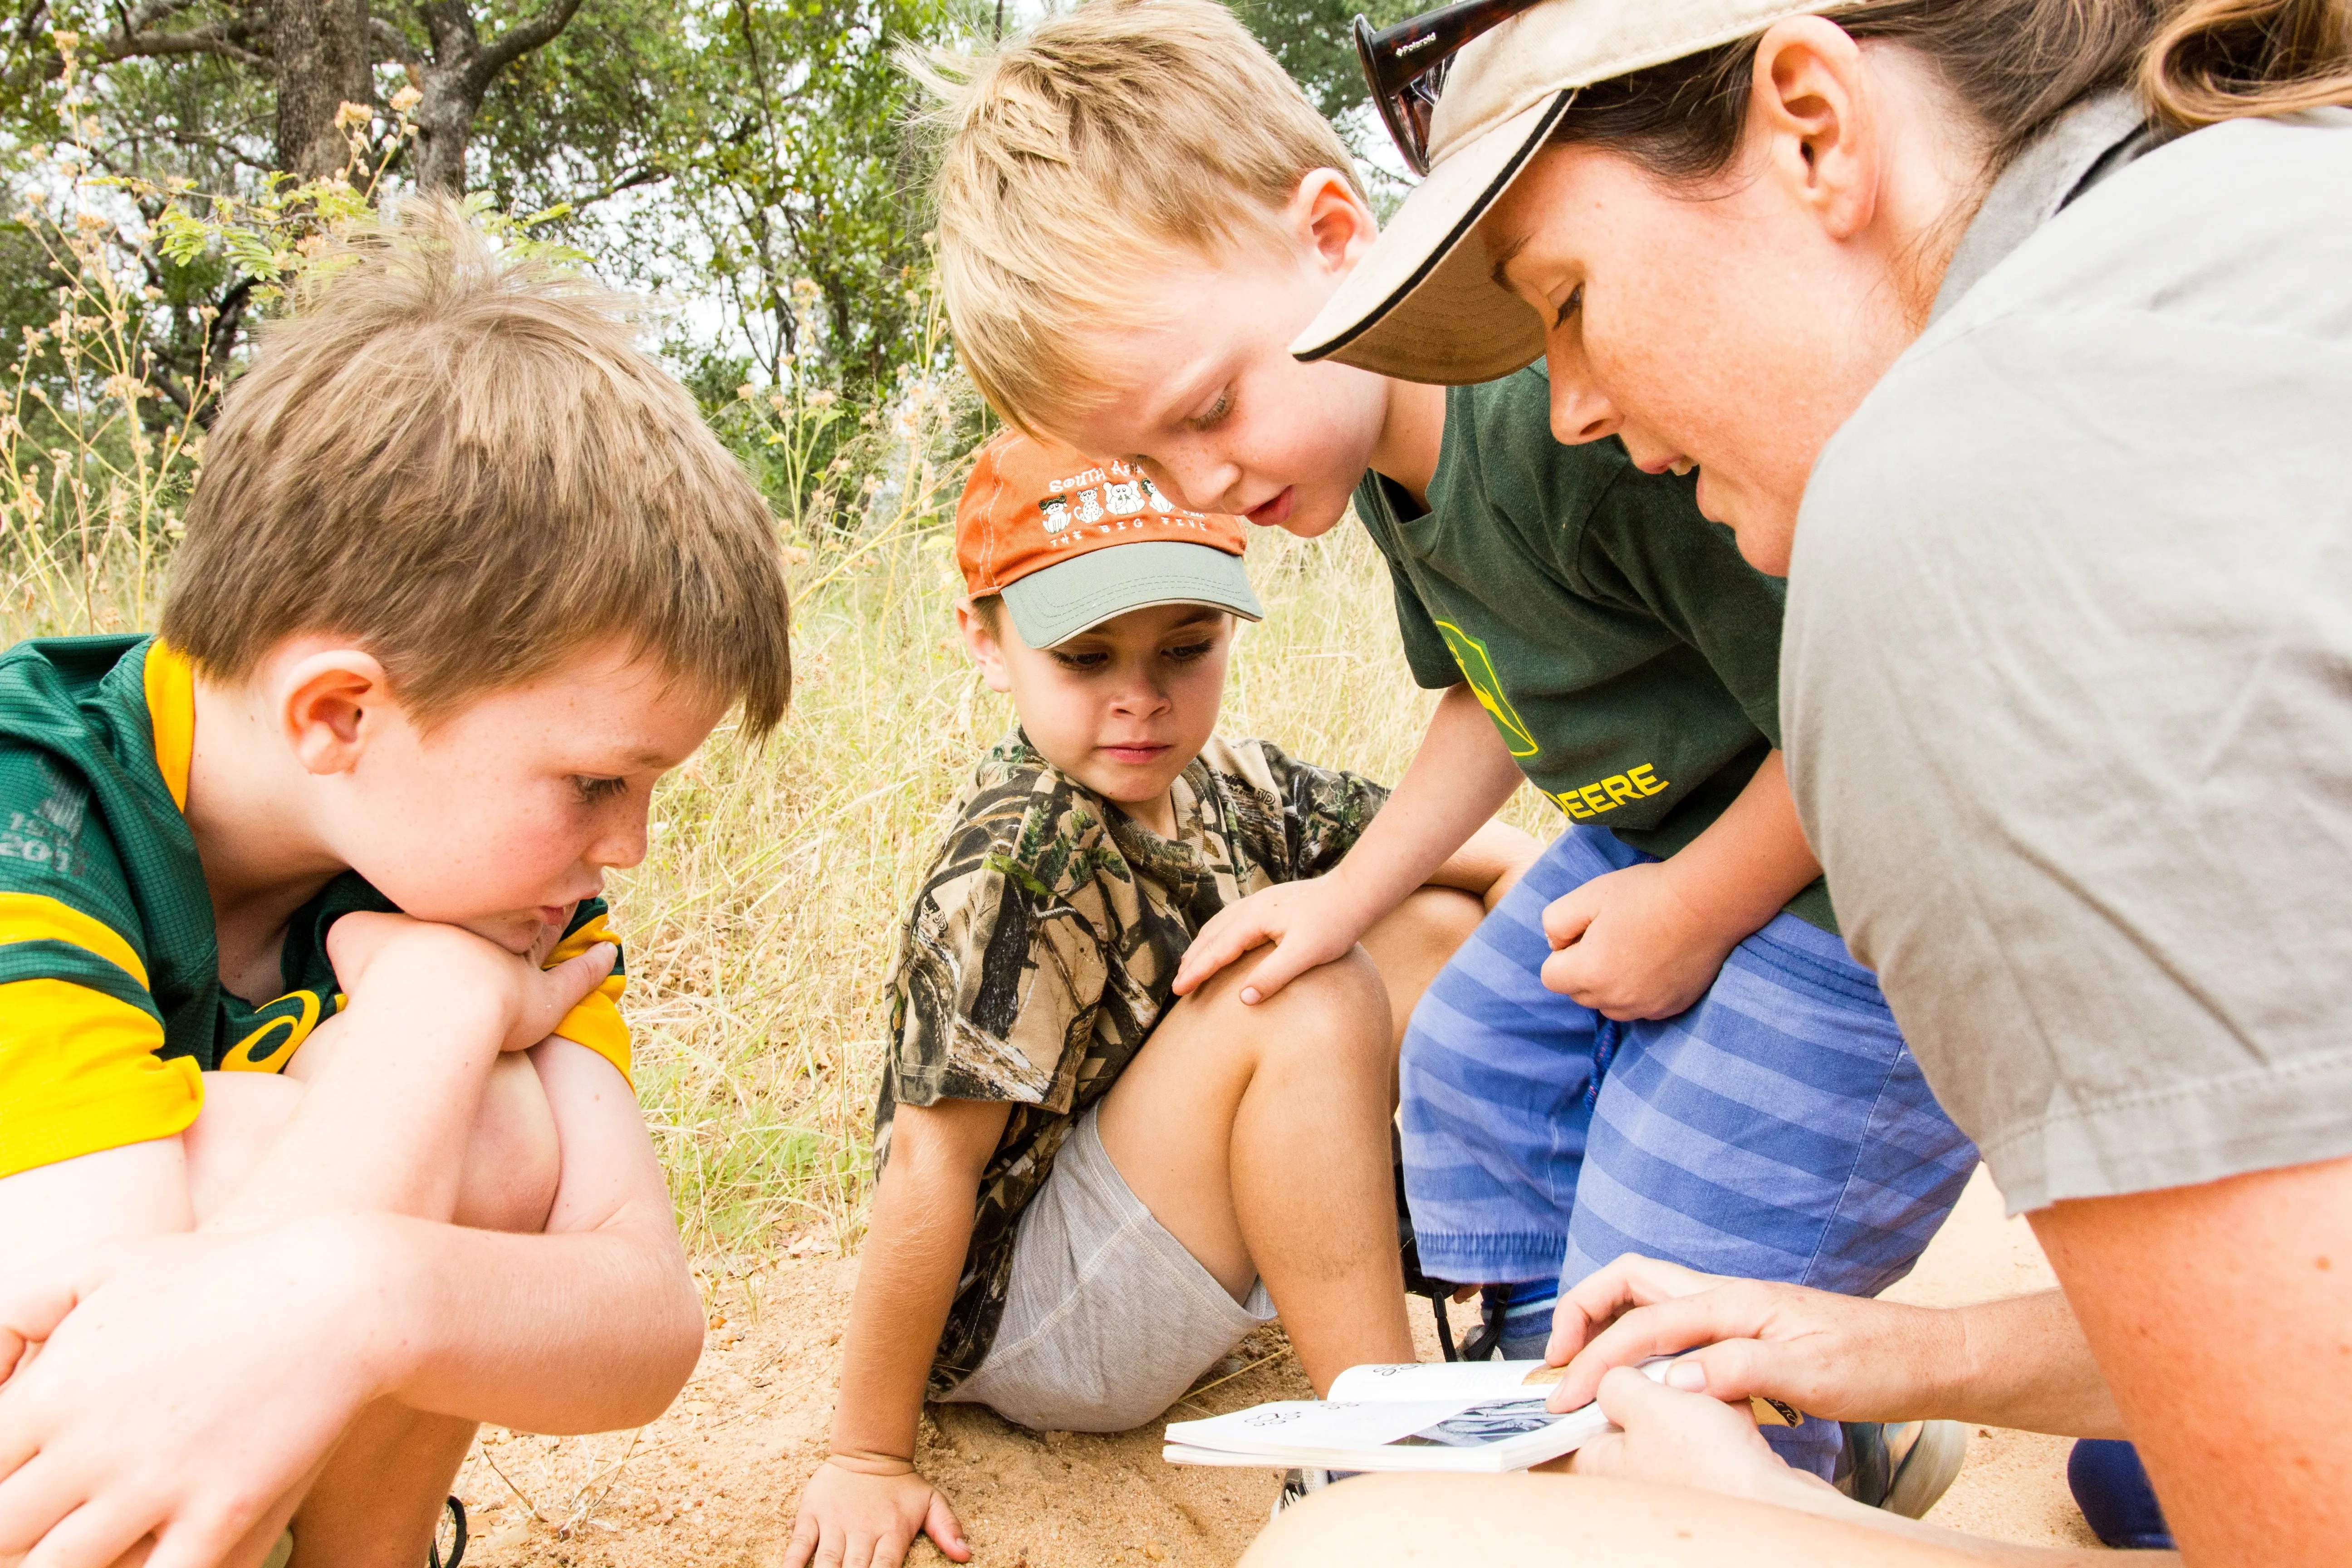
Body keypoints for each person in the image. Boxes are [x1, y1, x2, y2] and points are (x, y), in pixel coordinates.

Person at [1253, 0, 2352, 1558]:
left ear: (1812, 127)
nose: (1564, 406)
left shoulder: (1957, 501)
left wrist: (1743, 1509)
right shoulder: (2257, 191)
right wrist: (1892, 1350)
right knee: (2131, 1471)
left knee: (1372, 1547)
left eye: (1567, 299)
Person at [918, 0, 1976, 1496]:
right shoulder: (1372, 468)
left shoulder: (1563, 410)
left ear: (1336, 233)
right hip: (1673, 827)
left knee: (1653, 1263)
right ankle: (1544, 1425)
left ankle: (1712, 1457)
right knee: (1473, 1056)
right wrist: (1344, 901)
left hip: (1842, 873)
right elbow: (1488, 693)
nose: (1207, 477)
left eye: (1211, 407)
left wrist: (1690, 911)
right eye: (1153, 461)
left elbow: (1863, 700)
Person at [0, 201, 793, 1568]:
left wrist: (366, 1290)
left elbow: (647, 1320)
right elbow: (118, 1367)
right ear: (340, 716)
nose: (629, 847)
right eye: (600, 783)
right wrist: (432, 1007)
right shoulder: (38, 810)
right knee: (352, 1132)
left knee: (492, 1130)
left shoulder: (486, 869)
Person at [781, 430, 1532, 1568]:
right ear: (987, 644)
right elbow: (930, 1165)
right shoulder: (1016, 857)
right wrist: (868, 1457)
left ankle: (1490, 1284)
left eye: (1184, 648)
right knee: (1302, 984)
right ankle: (1369, 1454)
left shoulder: (1228, 783)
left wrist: (1548, 886)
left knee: (1432, 923)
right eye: (1085, 658)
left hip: (1159, 1231)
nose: (1140, 701)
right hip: (1036, 1325)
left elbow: (1451, 849)